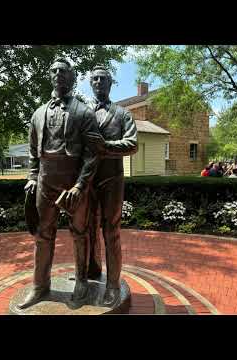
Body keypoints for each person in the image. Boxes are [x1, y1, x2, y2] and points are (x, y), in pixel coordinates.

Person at [17, 58, 100, 310]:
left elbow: (92, 154)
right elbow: (33, 151)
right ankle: (40, 286)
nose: (57, 74)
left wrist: (79, 186)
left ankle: (82, 282)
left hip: (73, 180)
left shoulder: (83, 112)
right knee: (43, 235)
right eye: (53, 71)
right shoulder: (38, 113)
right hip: (45, 180)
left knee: (79, 234)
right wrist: (32, 176)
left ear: (72, 77)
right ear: (49, 76)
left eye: (63, 71)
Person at [84, 65, 138, 307]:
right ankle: (92, 271)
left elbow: (132, 144)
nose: (98, 82)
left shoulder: (122, 114)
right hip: (87, 180)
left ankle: (113, 284)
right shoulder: (83, 113)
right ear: (90, 83)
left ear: (111, 83)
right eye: (94, 79)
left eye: (103, 79)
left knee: (111, 232)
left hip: (111, 180)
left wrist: (106, 146)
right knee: (87, 229)